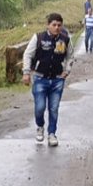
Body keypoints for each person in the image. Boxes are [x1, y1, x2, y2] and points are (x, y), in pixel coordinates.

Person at [22, 13, 74, 147]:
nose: (57, 27)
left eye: (59, 25)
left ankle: (52, 134)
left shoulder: (65, 40)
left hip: (57, 80)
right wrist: (26, 72)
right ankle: (40, 127)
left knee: (54, 108)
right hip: (40, 78)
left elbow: (70, 56)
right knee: (40, 108)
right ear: (48, 25)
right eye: (54, 25)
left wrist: (66, 71)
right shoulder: (38, 38)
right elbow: (28, 55)